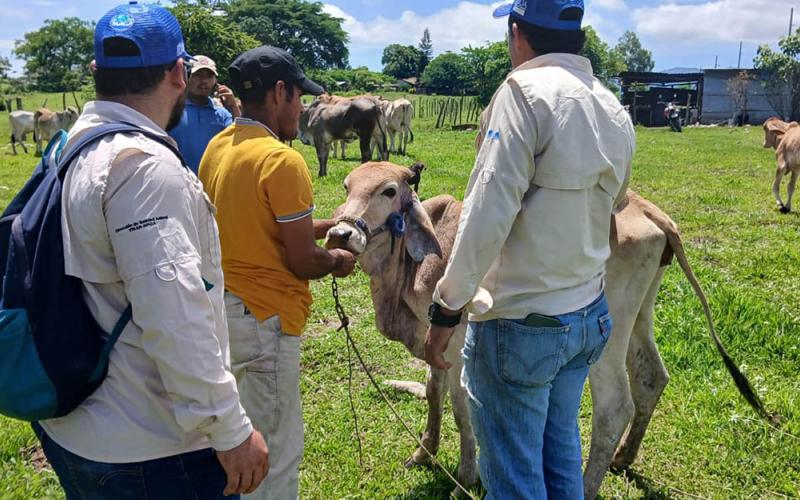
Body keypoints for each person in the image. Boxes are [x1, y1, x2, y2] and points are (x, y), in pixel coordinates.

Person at [34, 3, 268, 498]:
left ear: (96, 72)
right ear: (179, 73)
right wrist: (230, 429)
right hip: (149, 446)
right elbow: (173, 312)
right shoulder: (142, 167)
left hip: (77, 425)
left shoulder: (71, 146)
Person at [423, 0, 635, 498]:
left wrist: (447, 308)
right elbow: (617, 201)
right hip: (586, 315)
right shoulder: (611, 106)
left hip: (521, 324)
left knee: (516, 477)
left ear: (517, 33)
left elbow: (487, 211)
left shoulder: (522, 92)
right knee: (559, 451)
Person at [199, 45, 356, 499]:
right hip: (265, 321)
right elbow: (302, 260)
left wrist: (323, 224)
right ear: (280, 92)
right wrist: (339, 261)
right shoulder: (281, 160)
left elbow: (257, 222)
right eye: (299, 97)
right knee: (275, 453)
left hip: (223, 314)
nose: (302, 108)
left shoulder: (218, 148)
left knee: (238, 440)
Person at [169, 54, 241, 174]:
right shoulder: (172, 110)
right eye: (198, 75)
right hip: (177, 180)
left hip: (211, 183)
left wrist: (233, 107)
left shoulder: (222, 115)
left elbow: (240, 140)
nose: (204, 81)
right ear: (186, 77)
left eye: (209, 76)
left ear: (215, 82)